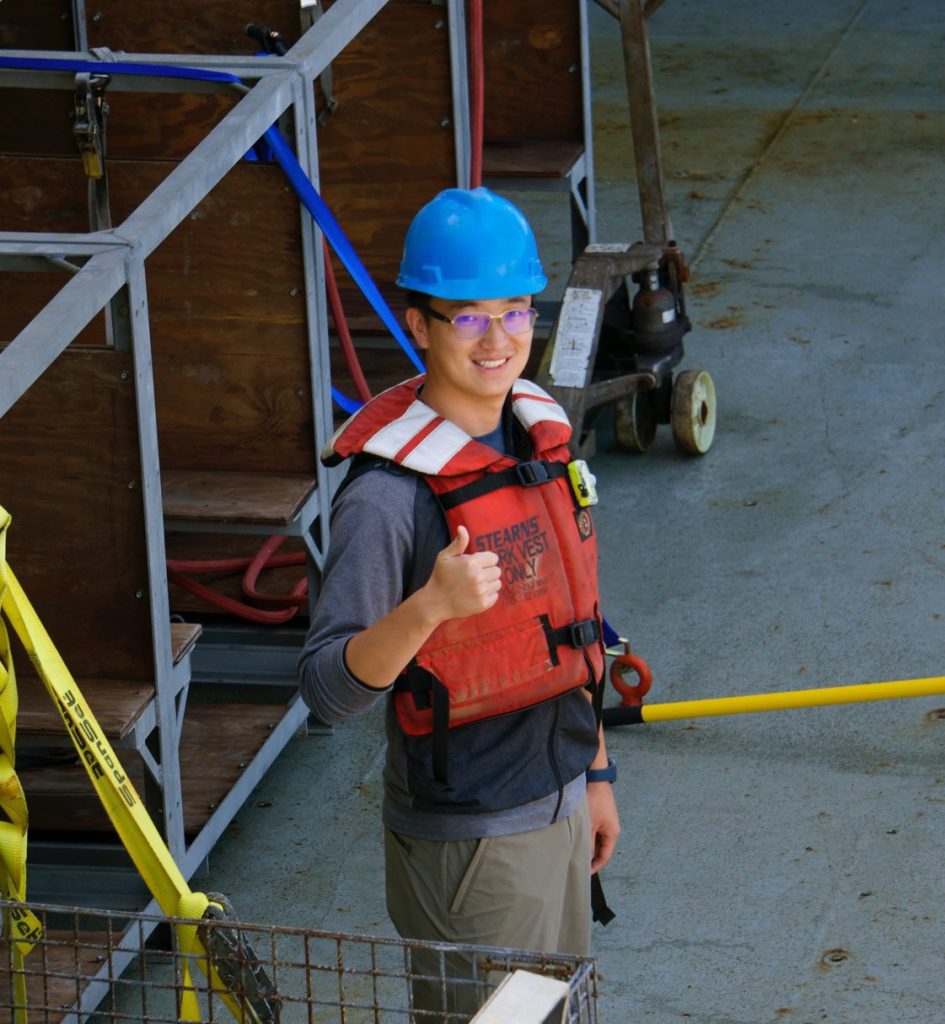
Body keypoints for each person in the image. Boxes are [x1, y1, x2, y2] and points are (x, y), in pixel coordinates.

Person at [298, 186, 619, 1018]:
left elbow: (568, 619)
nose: (498, 339)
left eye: (514, 311)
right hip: (473, 843)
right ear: (421, 326)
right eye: (468, 317)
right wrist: (429, 608)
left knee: (562, 1014)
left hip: (558, 807)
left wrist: (594, 774)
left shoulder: (533, 436)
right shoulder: (387, 496)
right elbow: (328, 692)